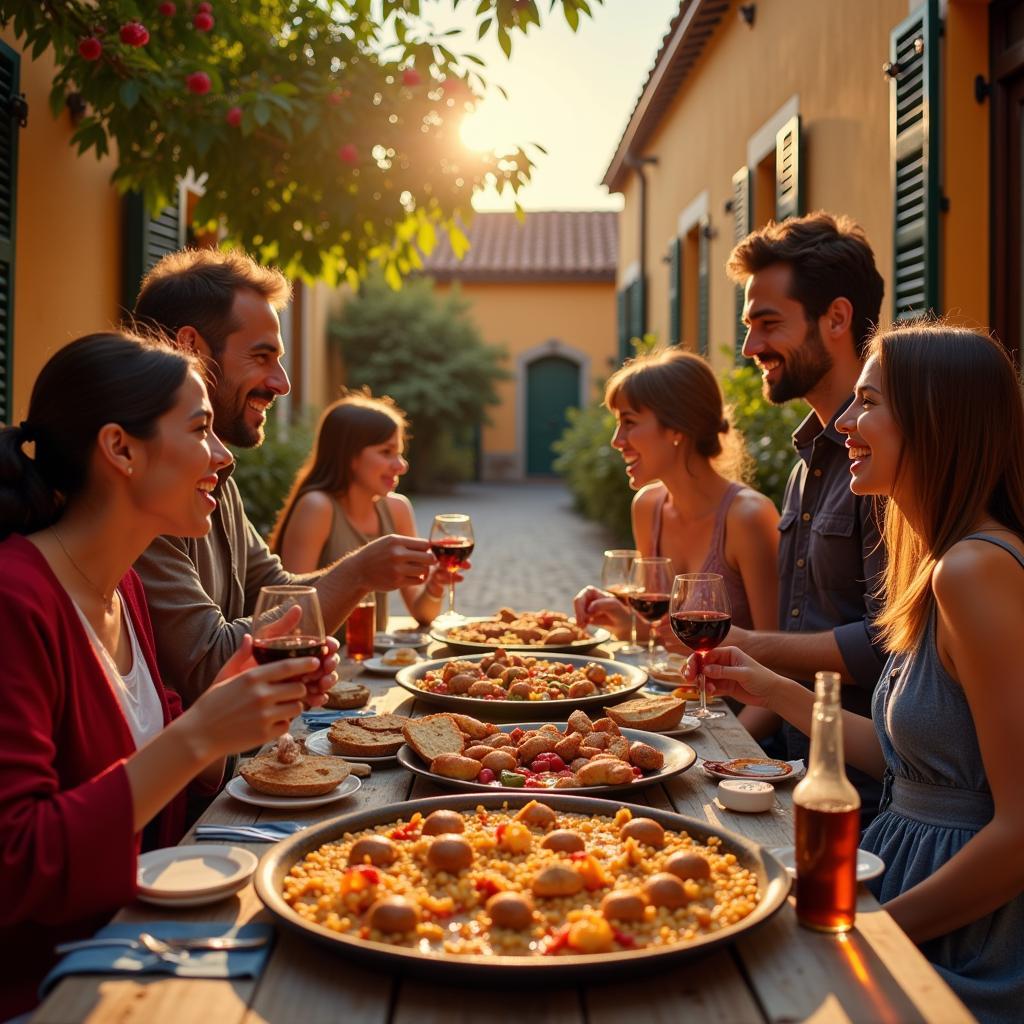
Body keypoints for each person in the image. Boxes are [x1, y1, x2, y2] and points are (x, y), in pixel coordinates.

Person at [690, 323, 1024, 1023]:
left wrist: (873, 938)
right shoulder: (939, 562)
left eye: (868, 403)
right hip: (895, 882)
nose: (844, 421)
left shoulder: (976, 570)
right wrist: (771, 688)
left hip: (963, 943)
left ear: (936, 419)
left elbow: (1019, 831)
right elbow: (918, 766)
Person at [0, 333, 338, 1019]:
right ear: (121, 449)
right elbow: (17, 862)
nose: (221, 458)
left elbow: (147, 803)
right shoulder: (15, 602)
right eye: (201, 429)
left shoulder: (122, 588)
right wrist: (198, 737)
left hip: (153, 949)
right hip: (57, 993)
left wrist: (225, 713)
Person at [131, 249, 435, 704]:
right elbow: (210, 662)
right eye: (261, 356)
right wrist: (355, 575)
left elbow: (272, 588)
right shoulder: (136, 489)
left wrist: (364, 572)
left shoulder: (218, 475)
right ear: (188, 347)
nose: (282, 383)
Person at [674, 211, 887, 823]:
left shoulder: (883, 463)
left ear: (837, 319)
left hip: (866, 795)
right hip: (790, 767)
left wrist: (740, 645)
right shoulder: (805, 464)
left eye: (768, 324)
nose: (749, 348)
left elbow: (886, 643)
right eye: (748, 326)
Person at [573, 348, 779, 643]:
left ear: (676, 429)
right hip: (671, 688)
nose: (617, 441)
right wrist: (624, 621)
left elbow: (774, 651)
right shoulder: (647, 506)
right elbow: (667, 637)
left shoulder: (748, 517)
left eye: (629, 422)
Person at [269, 391, 457, 627]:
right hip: (320, 658)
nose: (401, 465)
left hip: (372, 659)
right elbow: (290, 611)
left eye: (399, 453)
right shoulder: (317, 507)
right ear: (349, 456)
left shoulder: (397, 508)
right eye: (386, 452)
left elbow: (423, 614)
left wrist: (436, 584)